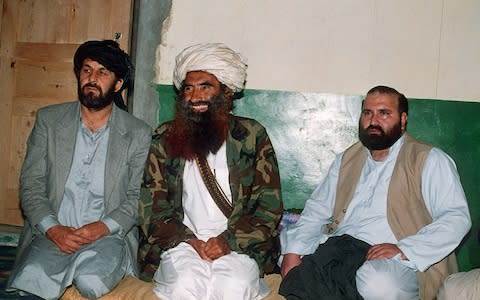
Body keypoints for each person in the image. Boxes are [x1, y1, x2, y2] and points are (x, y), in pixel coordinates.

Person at [279, 85, 471, 300]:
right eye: (368, 113)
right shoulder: (346, 160)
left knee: (378, 283)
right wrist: (293, 252)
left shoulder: (429, 159)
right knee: (296, 261)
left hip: (399, 260)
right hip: (343, 249)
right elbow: (316, 210)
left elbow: (456, 218)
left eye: (384, 113)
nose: (374, 120)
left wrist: (405, 249)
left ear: (403, 119)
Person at [7, 40, 152, 299]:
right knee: (32, 280)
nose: (92, 78)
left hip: (107, 236)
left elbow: (138, 197)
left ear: (118, 84)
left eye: (102, 72)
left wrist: (102, 227)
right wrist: (53, 229)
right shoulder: (49, 121)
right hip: (55, 233)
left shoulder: (138, 133)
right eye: (86, 70)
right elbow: (31, 184)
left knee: (91, 282)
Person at [137, 43, 283, 299]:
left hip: (240, 245)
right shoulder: (164, 138)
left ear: (226, 92)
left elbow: (268, 208)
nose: (195, 97)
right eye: (189, 88)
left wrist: (228, 241)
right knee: (185, 283)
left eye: (206, 86)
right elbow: (152, 208)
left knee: (233, 286)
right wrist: (189, 241)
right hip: (181, 243)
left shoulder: (251, 136)